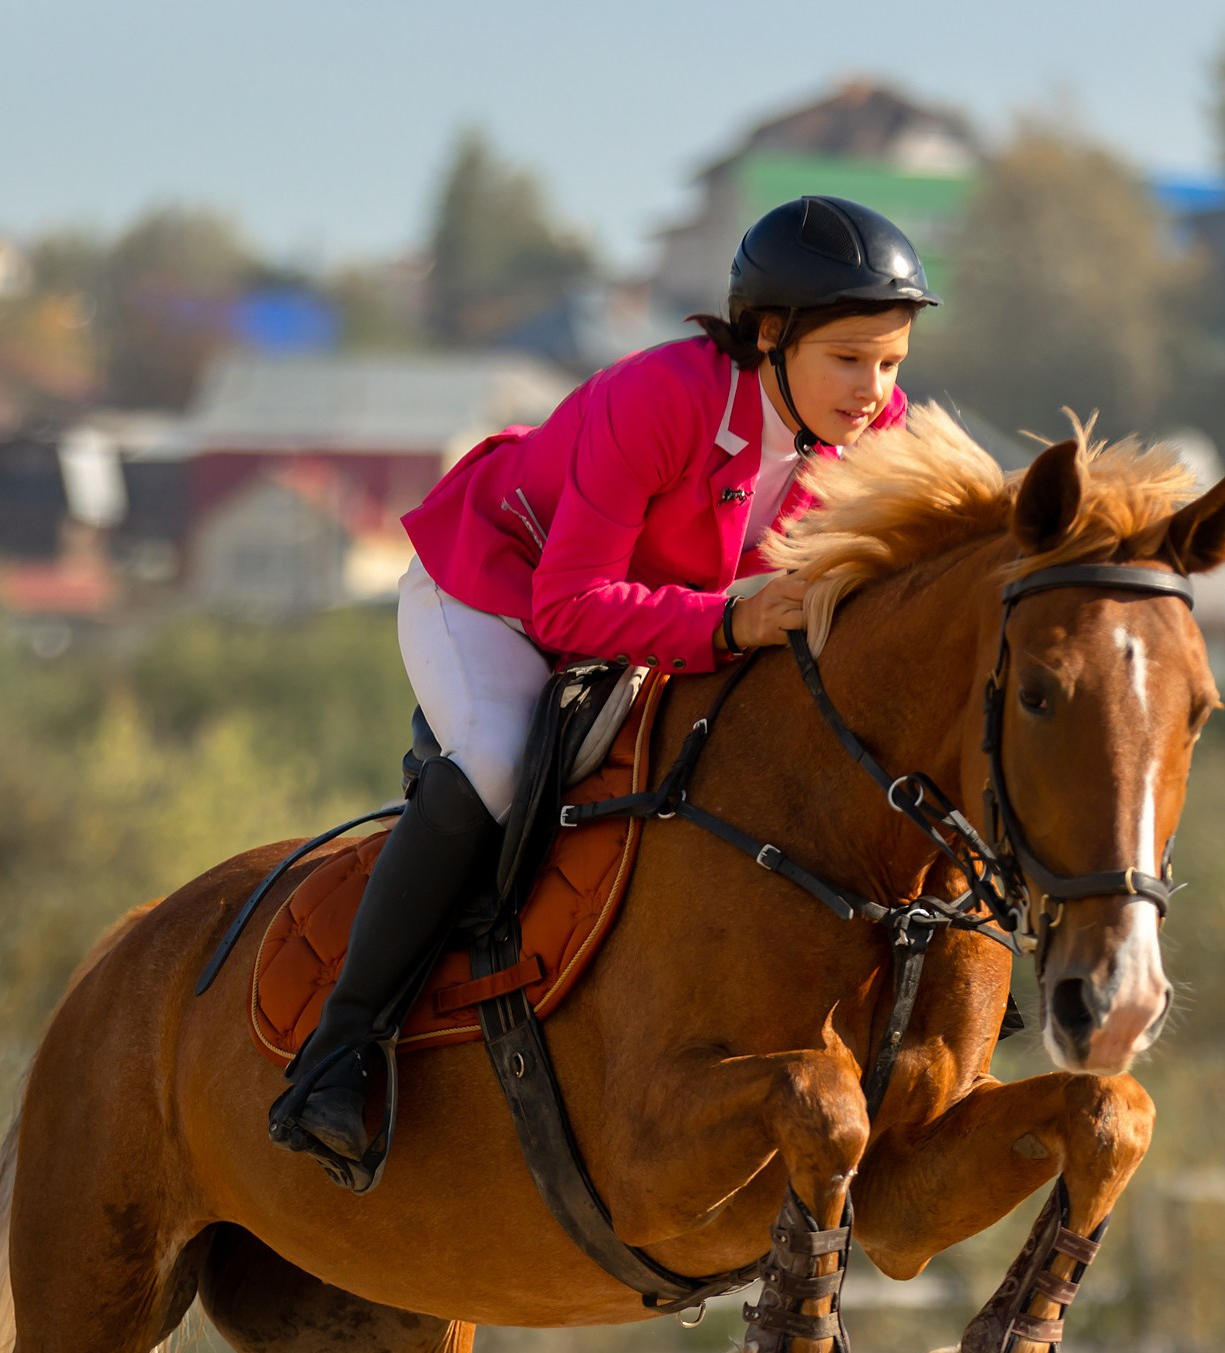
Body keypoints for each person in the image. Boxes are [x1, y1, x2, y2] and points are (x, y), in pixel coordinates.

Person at [267, 195, 937, 1183]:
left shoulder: (877, 427)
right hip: (496, 592)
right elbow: (570, 607)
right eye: (847, 358)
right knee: (496, 764)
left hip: (654, 611)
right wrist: (725, 621)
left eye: (890, 362)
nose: (872, 389)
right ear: (767, 335)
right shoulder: (659, 397)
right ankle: (339, 1052)